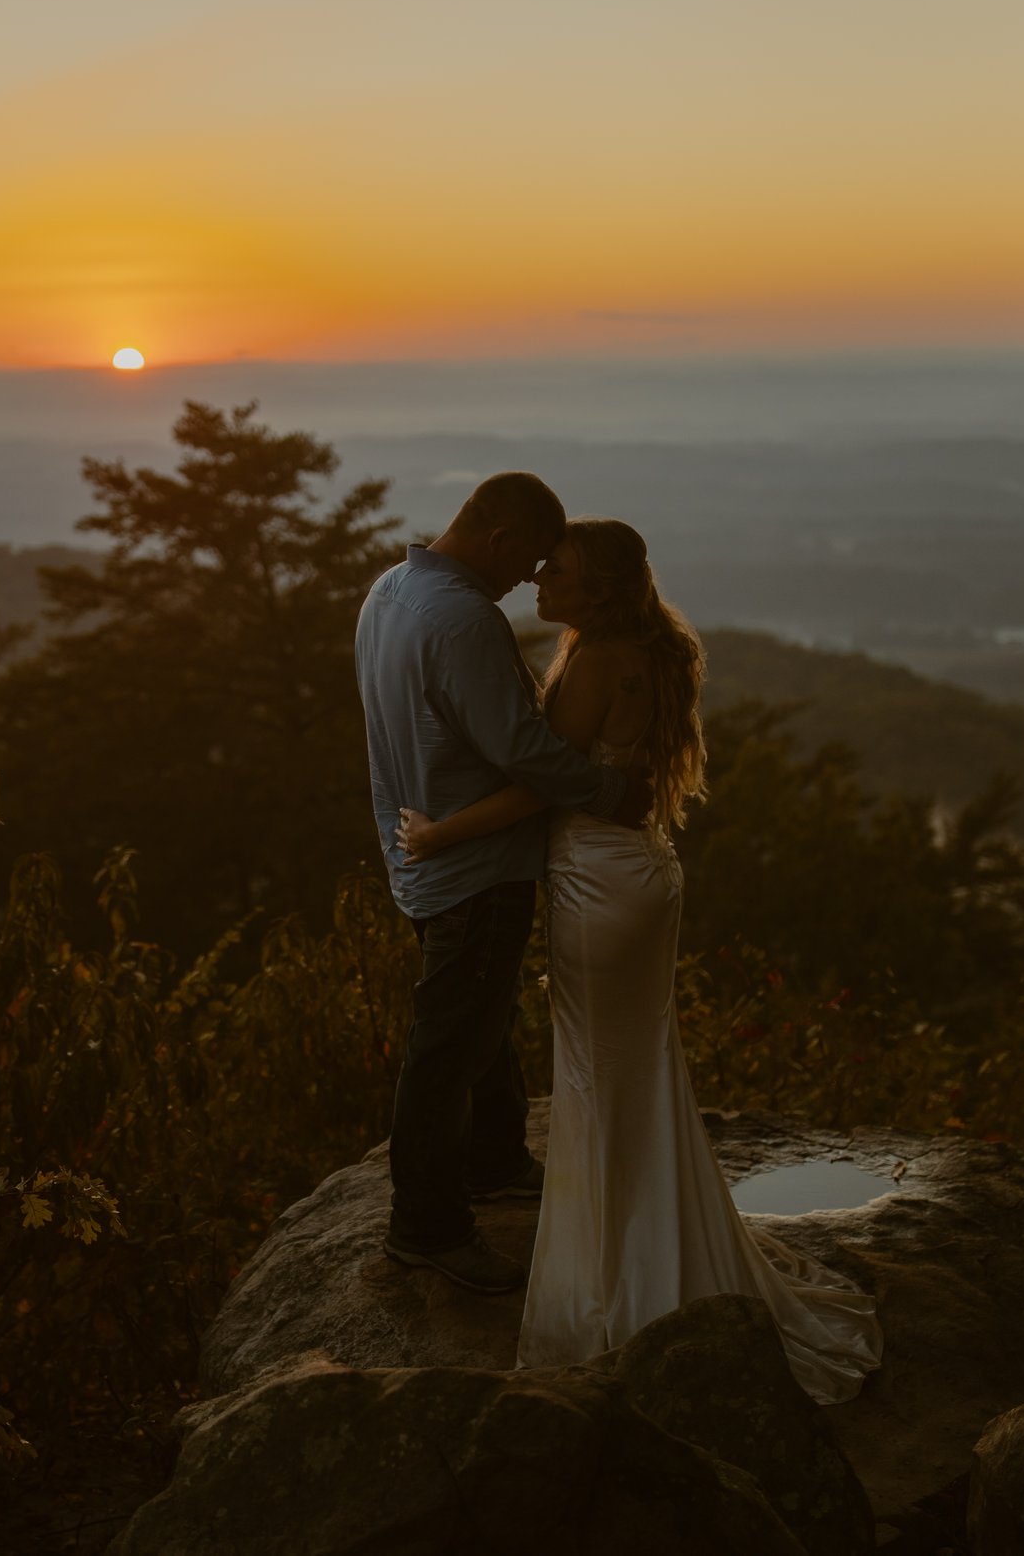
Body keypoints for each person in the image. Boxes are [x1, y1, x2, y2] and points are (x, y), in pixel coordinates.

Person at [395, 516, 881, 1403]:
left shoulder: (595, 660)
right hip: (644, 871)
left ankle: (618, 1282)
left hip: (599, 883)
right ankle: (657, 1239)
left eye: (559, 573)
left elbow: (544, 778)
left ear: (598, 587)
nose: (539, 582)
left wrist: (442, 831)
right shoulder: (650, 648)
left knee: (597, 1076)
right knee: (636, 1067)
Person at [355, 474, 654, 1296]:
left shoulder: (390, 590)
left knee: (479, 1018)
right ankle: (427, 1227)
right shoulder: (463, 620)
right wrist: (610, 792)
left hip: (418, 850)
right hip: (472, 866)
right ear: (496, 538)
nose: (529, 578)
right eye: (527, 560)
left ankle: (492, 1159)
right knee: (447, 1045)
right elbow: (524, 749)